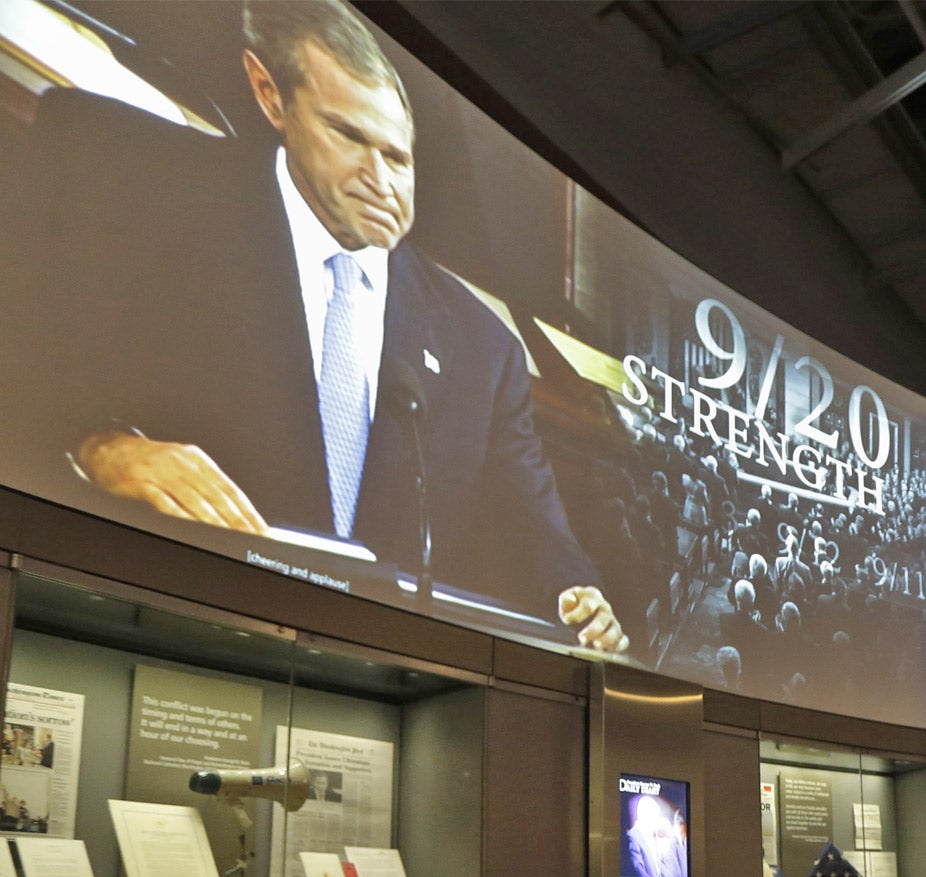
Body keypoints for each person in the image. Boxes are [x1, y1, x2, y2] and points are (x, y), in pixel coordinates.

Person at [5, 0, 625, 652]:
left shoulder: (483, 347)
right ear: (272, 97)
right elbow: (26, 366)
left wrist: (578, 596)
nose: (382, 181)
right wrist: (100, 450)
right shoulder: (131, 182)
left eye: (398, 156)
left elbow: (538, 532)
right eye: (350, 137)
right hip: (130, 630)